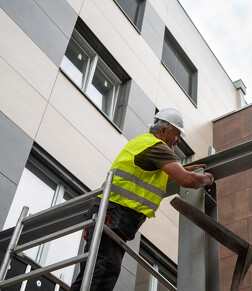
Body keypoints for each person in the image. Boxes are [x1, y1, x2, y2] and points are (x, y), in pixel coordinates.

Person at [70, 108, 214, 290]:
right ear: (163, 131)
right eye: (176, 134)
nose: (178, 141)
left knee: (92, 274)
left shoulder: (146, 144)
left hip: (110, 214)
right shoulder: (157, 146)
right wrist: (208, 178)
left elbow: (164, 176)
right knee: (102, 274)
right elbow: (186, 181)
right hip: (113, 214)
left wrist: (188, 170)